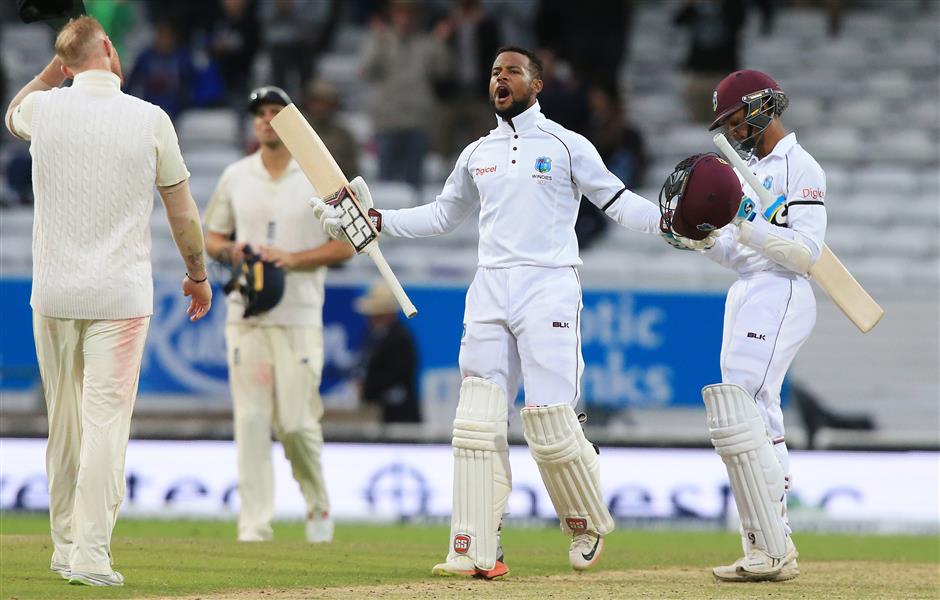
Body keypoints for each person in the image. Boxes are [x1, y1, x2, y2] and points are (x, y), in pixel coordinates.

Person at [313, 46, 666, 578]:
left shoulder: (568, 146)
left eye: (513, 71)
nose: (500, 78)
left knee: (551, 422)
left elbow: (618, 202)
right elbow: (441, 216)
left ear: (537, 84)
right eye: (495, 71)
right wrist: (377, 220)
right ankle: (477, 547)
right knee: (477, 423)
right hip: (489, 287)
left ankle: (584, 520)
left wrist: (671, 221)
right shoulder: (477, 152)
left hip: (548, 285)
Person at [4, 16, 212, 586]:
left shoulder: (44, 111)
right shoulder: (150, 119)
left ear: (66, 64)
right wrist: (196, 273)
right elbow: (182, 212)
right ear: (112, 51)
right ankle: (90, 555)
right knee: (104, 427)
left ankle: (64, 544)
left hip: (53, 293)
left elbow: (12, 110)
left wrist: (55, 68)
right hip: (120, 297)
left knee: (64, 424)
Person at [663, 69, 827, 582]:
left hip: (783, 293)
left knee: (739, 406)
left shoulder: (801, 167)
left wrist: (745, 224)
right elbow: (740, 255)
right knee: (756, 413)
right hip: (750, 291)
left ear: (760, 107)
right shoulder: (747, 170)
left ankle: (771, 548)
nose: (730, 129)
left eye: (734, 116)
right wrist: (708, 238)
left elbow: (805, 255)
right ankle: (769, 544)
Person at [204, 85, 355, 544]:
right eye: (260, 114)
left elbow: (347, 245)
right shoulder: (235, 175)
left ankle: (317, 502)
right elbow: (211, 237)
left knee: (296, 423)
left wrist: (290, 258)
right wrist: (234, 250)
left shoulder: (321, 178)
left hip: (299, 315)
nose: (266, 120)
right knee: (250, 420)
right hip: (246, 312)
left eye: (275, 113)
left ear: (291, 121)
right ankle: (254, 524)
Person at [354, 282, 421, 424]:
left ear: (389, 313)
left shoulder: (400, 338)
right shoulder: (372, 335)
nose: (373, 318)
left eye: (378, 314)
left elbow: (397, 375)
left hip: (400, 415)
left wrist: (367, 387)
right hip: (379, 410)